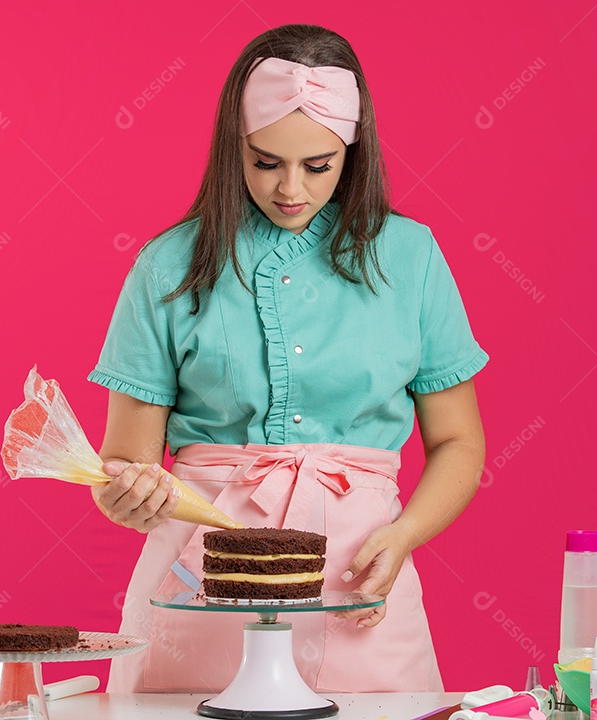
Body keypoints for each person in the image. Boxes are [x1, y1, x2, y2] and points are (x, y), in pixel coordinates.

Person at [86, 23, 488, 693]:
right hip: (199, 591)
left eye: (318, 165)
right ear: (232, 147)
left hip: (362, 583)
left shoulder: (412, 258)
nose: (290, 188)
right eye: (265, 161)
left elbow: (459, 442)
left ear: (353, 151)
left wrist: (405, 535)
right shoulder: (167, 266)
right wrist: (128, 496)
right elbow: (120, 465)